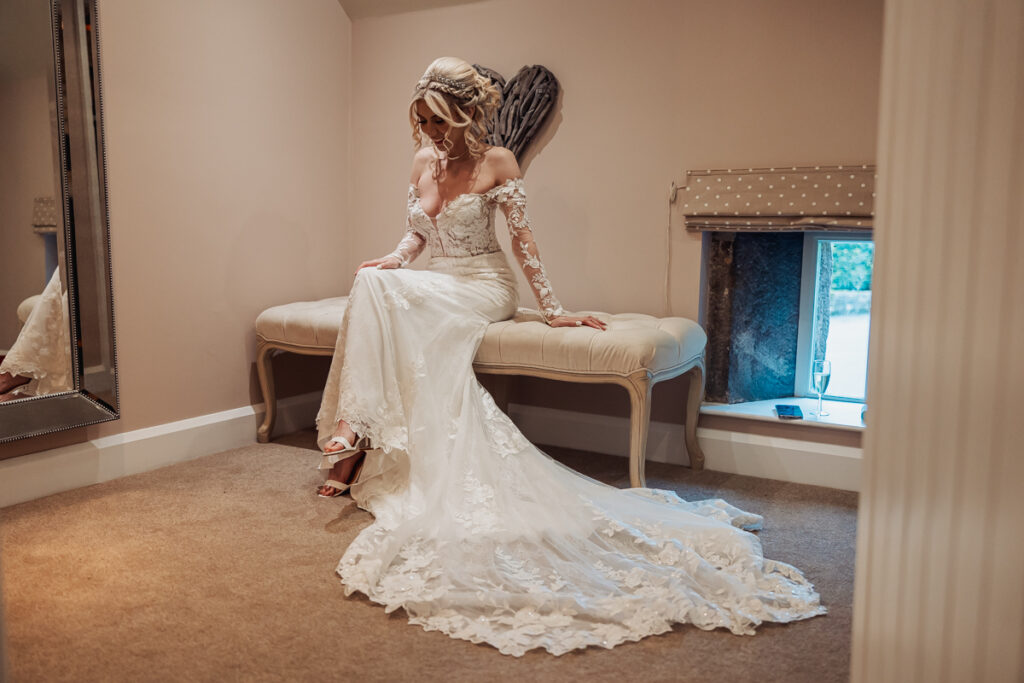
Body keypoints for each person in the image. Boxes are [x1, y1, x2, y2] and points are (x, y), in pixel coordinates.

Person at [313, 57, 824, 656]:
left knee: (380, 292)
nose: (428, 132)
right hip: (435, 282)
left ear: (466, 114)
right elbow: (418, 235)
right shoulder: (424, 162)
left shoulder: (496, 162)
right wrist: (393, 260)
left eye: (438, 120)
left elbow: (523, 245)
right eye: (421, 120)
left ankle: (355, 434)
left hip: (483, 286)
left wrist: (552, 310)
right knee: (373, 281)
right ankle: (362, 430)